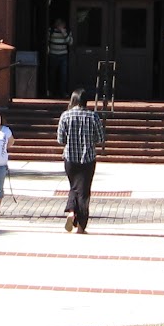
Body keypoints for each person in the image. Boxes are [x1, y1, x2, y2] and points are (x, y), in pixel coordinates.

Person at [56, 88, 105, 233]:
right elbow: (100, 138)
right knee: (84, 191)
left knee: (73, 187)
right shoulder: (93, 116)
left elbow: (60, 139)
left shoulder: (65, 116)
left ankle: (71, 211)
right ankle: (81, 226)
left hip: (70, 158)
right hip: (88, 158)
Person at [45, 17, 72, 97]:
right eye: (58, 23)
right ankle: (50, 92)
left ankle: (63, 92)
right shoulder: (51, 30)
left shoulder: (67, 31)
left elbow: (70, 42)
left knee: (63, 75)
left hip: (63, 55)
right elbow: (46, 40)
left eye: (61, 23)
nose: (59, 25)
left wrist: (63, 33)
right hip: (53, 55)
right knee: (52, 74)